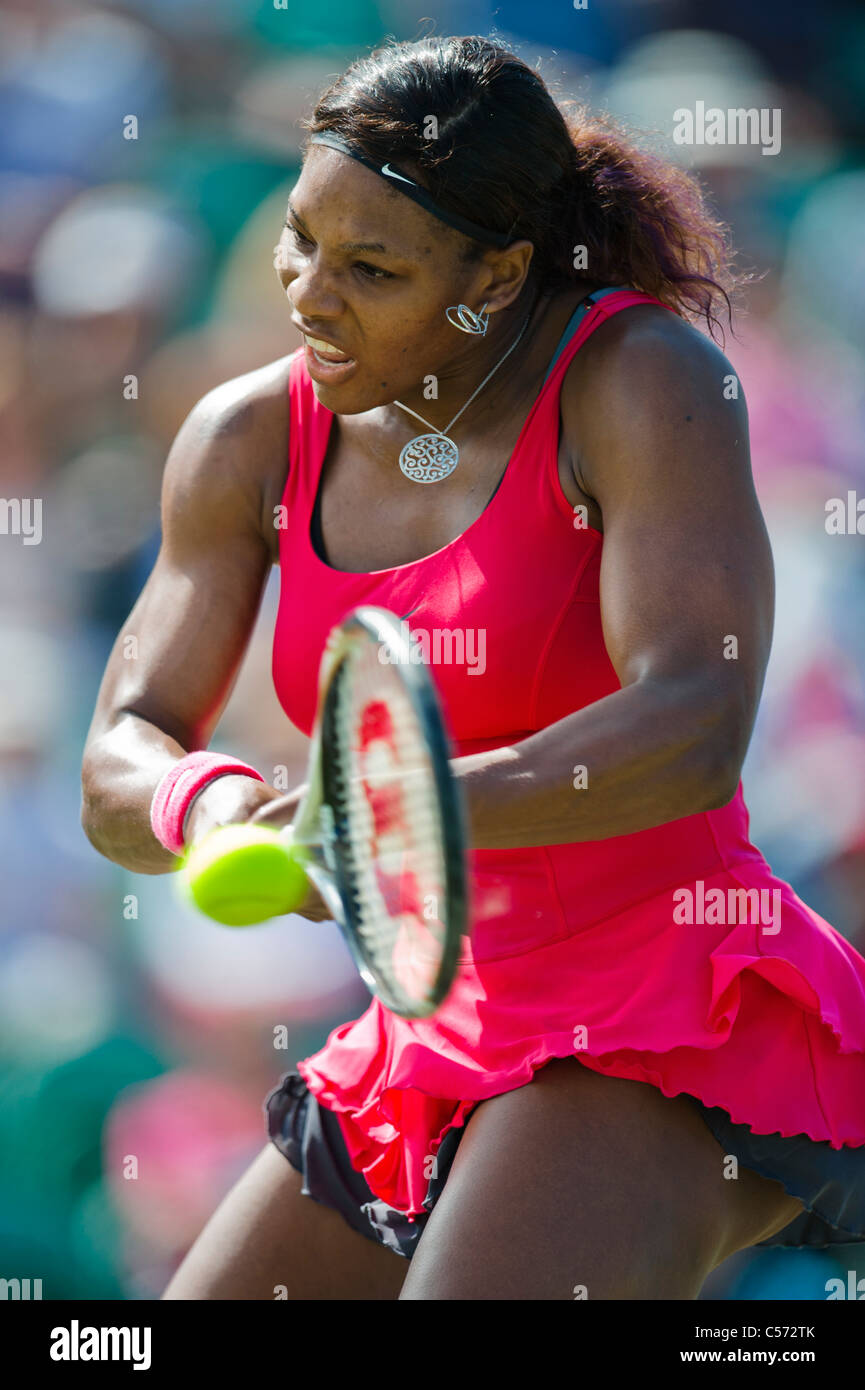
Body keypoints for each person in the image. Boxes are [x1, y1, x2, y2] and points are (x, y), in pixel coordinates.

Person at [81, 36, 865, 1300]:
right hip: (430, 1032)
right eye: (299, 241)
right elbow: (122, 748)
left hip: (663, 1001)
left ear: (498, 273)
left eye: (372, 268)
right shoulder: (240, 437)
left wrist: (397, 808)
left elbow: (694, 716)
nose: (307, 295)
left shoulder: (647, 380)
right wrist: (206, 801)